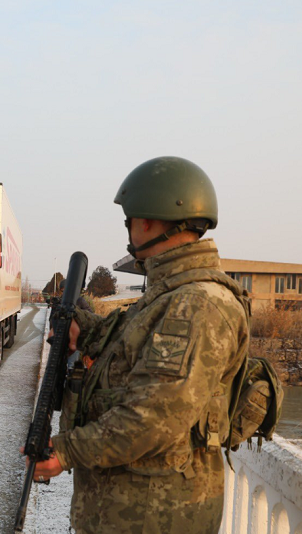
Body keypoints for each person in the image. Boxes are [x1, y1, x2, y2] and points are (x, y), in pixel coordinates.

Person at [31, 156, 250, 533]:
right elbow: (128, 345)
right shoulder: (170, 294)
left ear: (146, 221)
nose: (130, 230)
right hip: (129, 510)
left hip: (155, 516)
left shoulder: (196, 304)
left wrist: (65, 451)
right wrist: (81, 325)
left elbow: (154, 418)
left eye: (130, 221)